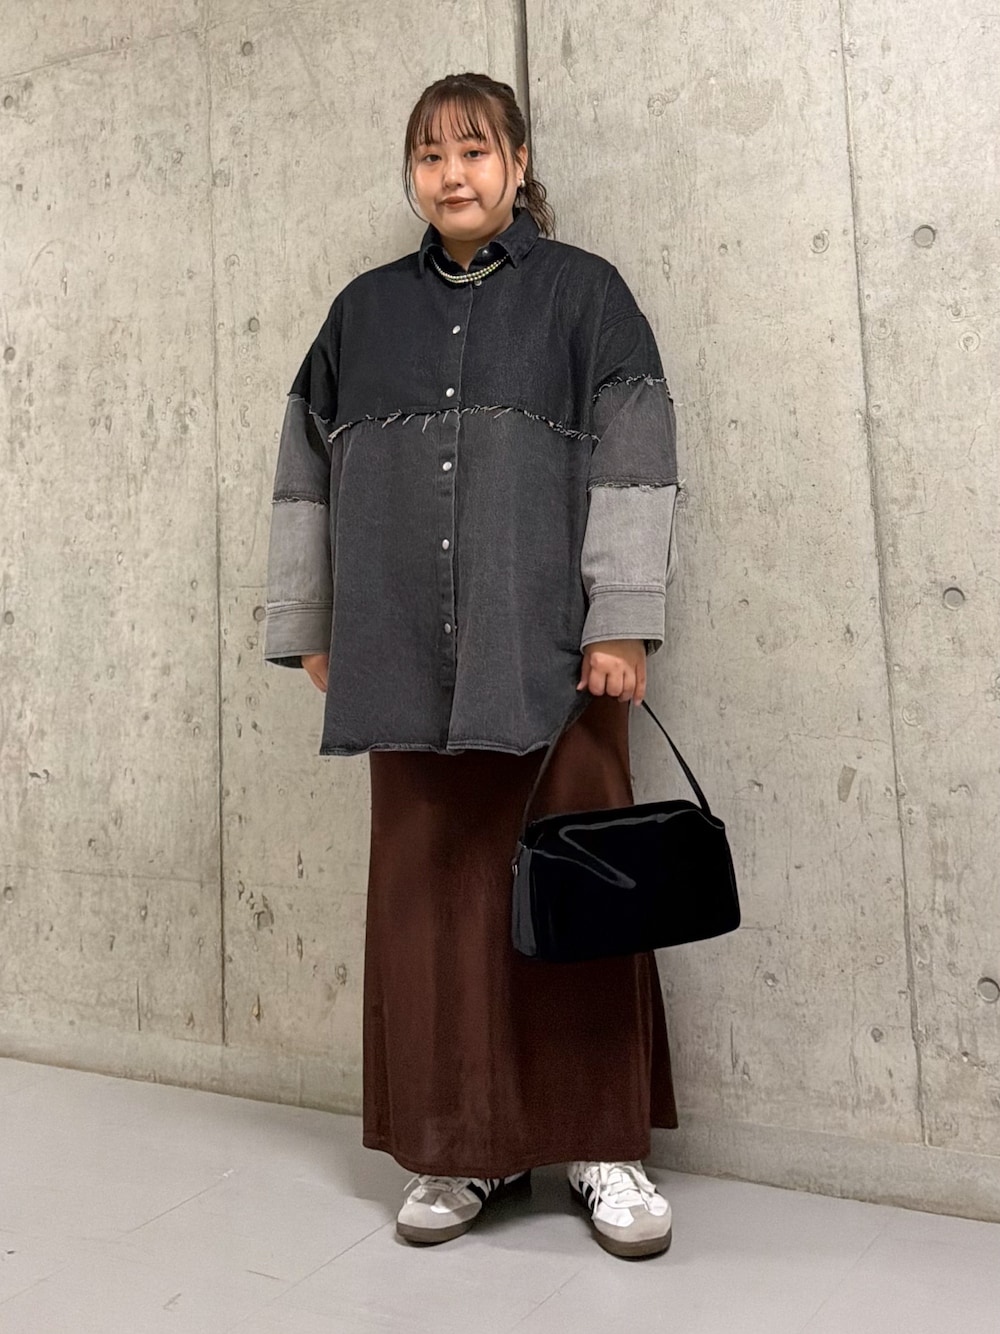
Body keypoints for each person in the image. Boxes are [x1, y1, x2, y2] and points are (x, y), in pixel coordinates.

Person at [263, 72, 680, 1260]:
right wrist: (313, 622)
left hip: (553, 655)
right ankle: (461, 1147)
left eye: (474, 150)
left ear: (517, 162)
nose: (452, 174)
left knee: (583, 895)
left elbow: (637, 453)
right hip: (398, 654)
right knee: (433, 905)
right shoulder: (360, 314)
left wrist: (620, 621)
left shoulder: (586, 297)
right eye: (430, 154)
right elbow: (302, 469)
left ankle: (600, 1146)